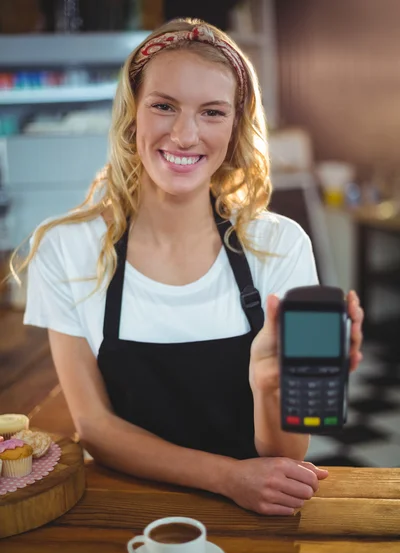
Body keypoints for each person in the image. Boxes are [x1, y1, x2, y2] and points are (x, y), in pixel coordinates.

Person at [16, 18, 364, 516]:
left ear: (235, 126)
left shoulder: (279, 244)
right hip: (122, 513)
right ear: (132, 113)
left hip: (254, 510)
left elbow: (286, 457)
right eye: (164, 106)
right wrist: (226, 476)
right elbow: (96, 427)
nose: (185, 135)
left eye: (212, 112)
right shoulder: (66, 249)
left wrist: (268, 387)